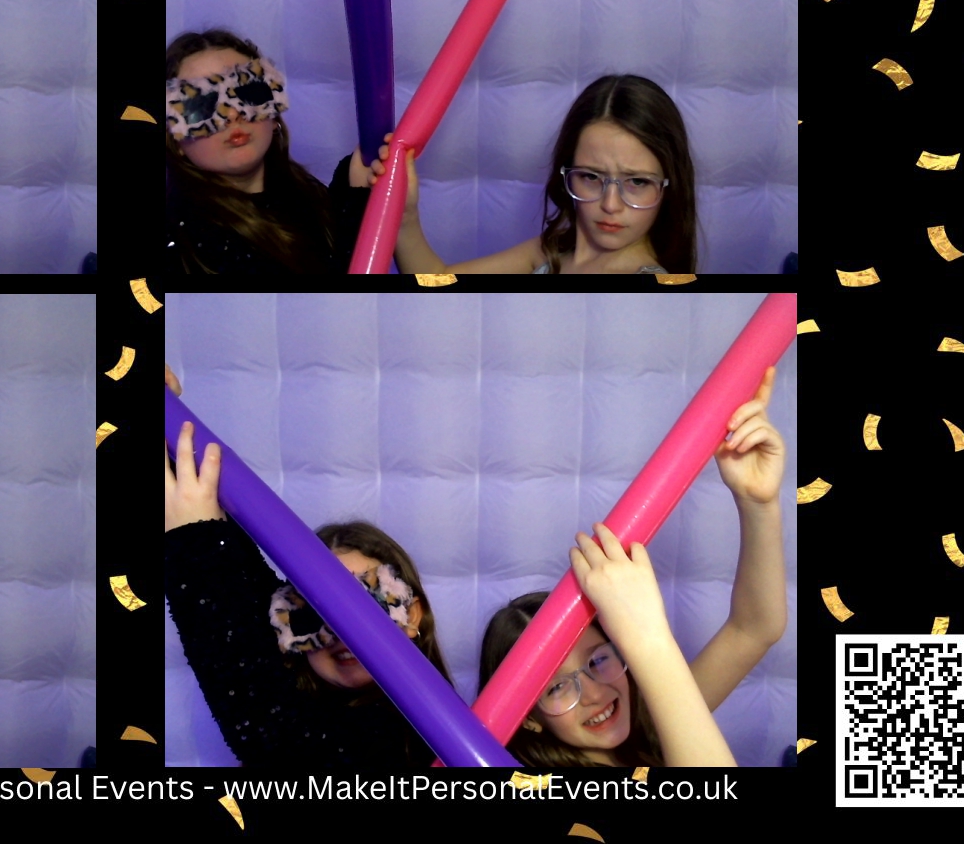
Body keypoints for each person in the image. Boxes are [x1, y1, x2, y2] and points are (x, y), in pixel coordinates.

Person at [476, 367, 787, 765]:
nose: (595, 693)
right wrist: (645, 635)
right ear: (528, 719)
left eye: (599, 660)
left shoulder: (654, 730)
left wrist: (757, 502)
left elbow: (755, 628)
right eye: (556, 688)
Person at [162, 366, 455, 766]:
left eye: (366, 601)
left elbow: (278, 737)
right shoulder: (300, 695)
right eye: (311, 614)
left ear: (411, 613)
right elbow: (243, 608)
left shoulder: (420, 739)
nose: (338, 630)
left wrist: (193, 540)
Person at [370, 73, 700, 274]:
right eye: (591, 177)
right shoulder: (548, 253)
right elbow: (435, 278)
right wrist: (405, 214)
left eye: (637, 182)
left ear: (668, 187)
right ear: (566, 173)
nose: (610, 205)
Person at [164, 30, 374, 273]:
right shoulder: (178, 240)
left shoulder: (311, 201)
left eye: (248, 92)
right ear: (175, 139)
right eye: (200, 105)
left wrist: (360, 194)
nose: (232, 114)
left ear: (273, 115)